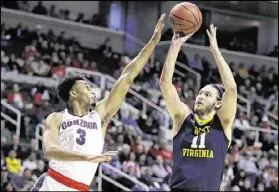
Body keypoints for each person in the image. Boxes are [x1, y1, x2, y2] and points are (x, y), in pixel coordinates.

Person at [31, 14, 166, 191]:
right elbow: (49, 150)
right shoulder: (56, 118)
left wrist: (153, 42)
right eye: (86, 87)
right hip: (53, 184)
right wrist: (85, 157)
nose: (92, 90)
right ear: (73, 93)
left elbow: (127, 76)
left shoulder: (99, 116)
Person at [160, 24, 237, 191]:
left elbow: (231, 88)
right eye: (200, 93)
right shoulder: (182, 119)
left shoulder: (223, 125)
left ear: (218, 103)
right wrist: (175, 46)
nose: (200, 96)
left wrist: (216, 52)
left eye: (207, 95)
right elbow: (165, 85)